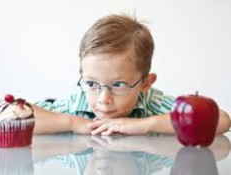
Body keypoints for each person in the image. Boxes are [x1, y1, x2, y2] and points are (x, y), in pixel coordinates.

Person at [32, 14, 231, 135]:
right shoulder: (76, 104)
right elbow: (8, 117)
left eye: (118, 85)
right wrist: (73, 123)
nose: (104, 100)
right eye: (92, 84)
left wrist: (144, 125)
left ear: (145, 83)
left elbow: (221, 121)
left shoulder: (153, 102)